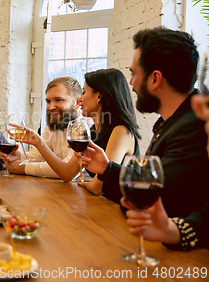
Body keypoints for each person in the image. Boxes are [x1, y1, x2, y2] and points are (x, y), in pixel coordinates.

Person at [80, 27, 209, 218]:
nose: (131, 82)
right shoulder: (171, 122)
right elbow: (149, 186)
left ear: (155, 79)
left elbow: (154, 202)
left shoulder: (192, 128)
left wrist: (110, 173)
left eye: (134, 74)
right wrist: (107, 169)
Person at [121, 94, 209, 251]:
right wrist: (170, 231)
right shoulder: (167, 124)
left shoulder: (188, 126)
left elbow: (163, 194)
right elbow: (204, 220)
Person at [0, 77, 83, 179]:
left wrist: (23, 168)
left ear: (78, 103)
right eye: (48, 101)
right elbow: (36, 156)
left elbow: (66, 170)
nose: (51, 107)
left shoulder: (86, 127)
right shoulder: (54, 125)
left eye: (59, 100)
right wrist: (17, 156)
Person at [77, 69, 141, 203]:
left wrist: (84, 183)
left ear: (99, 97)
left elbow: (97, 187)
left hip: (122, 211)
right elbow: (67, 172)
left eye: (83, 92)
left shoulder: (121, 131)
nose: (79, 98)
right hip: (106, 206)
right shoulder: (93, 130)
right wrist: (37, 142)